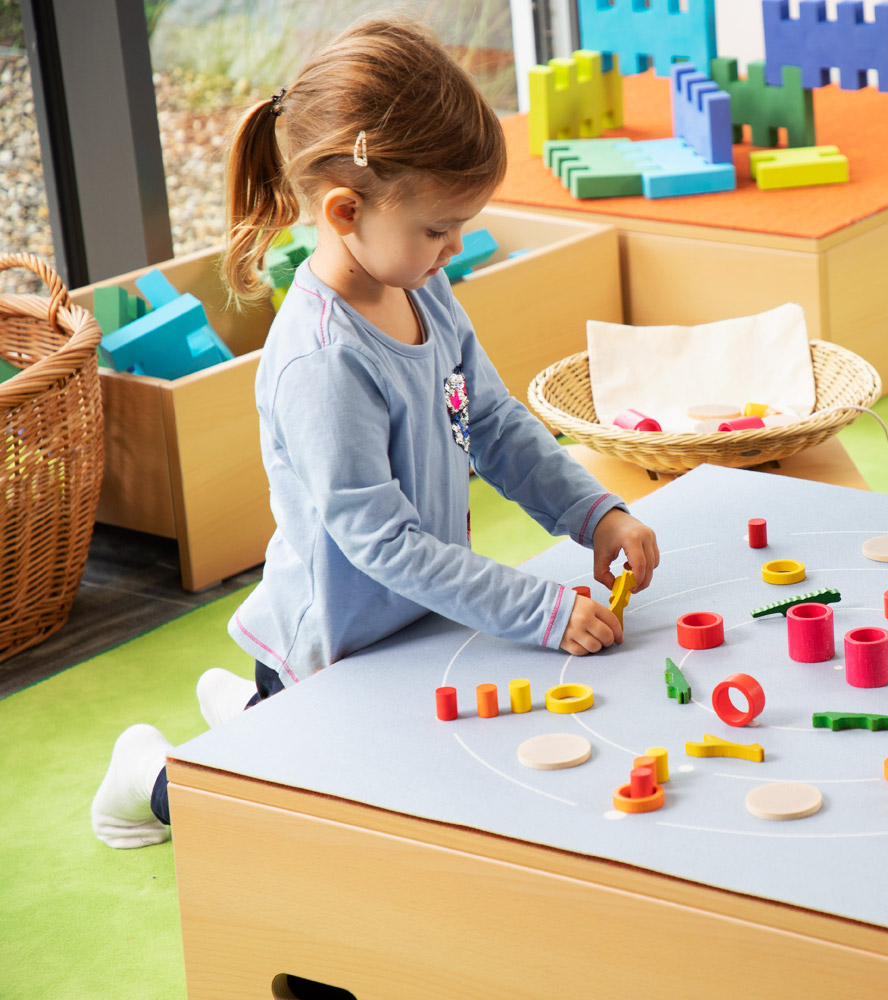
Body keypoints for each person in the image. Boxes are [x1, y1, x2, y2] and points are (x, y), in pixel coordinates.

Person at [92, 15, 658, 850]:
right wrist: (538, 609)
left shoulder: (423, 285)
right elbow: (384, 543)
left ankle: (249, 718)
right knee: (293, 844)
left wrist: (594, 513)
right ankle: (149, 772)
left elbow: (491, 422)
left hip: (416, 621)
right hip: (333, 649)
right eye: (438, 229)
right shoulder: (324, 362)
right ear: (345, 210)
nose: (454, 247)